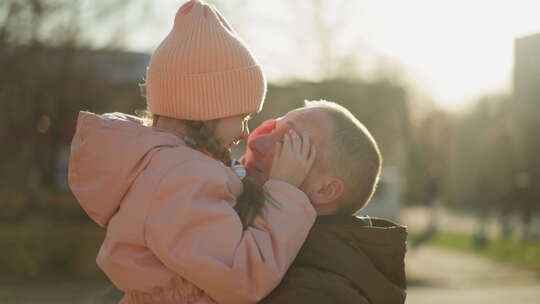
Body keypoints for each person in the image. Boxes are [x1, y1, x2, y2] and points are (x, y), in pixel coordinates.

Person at [68, 1, 317, 303]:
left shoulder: (172, 168)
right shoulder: (182, 177)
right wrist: (285, 192)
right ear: (207, 111)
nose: (245, 133)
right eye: (243, 117)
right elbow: (241, 277)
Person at [241, 100, 408, 304]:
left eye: (287, 144)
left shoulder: (312, 293)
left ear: (324, 190)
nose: (255, 143)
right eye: (271, 130)